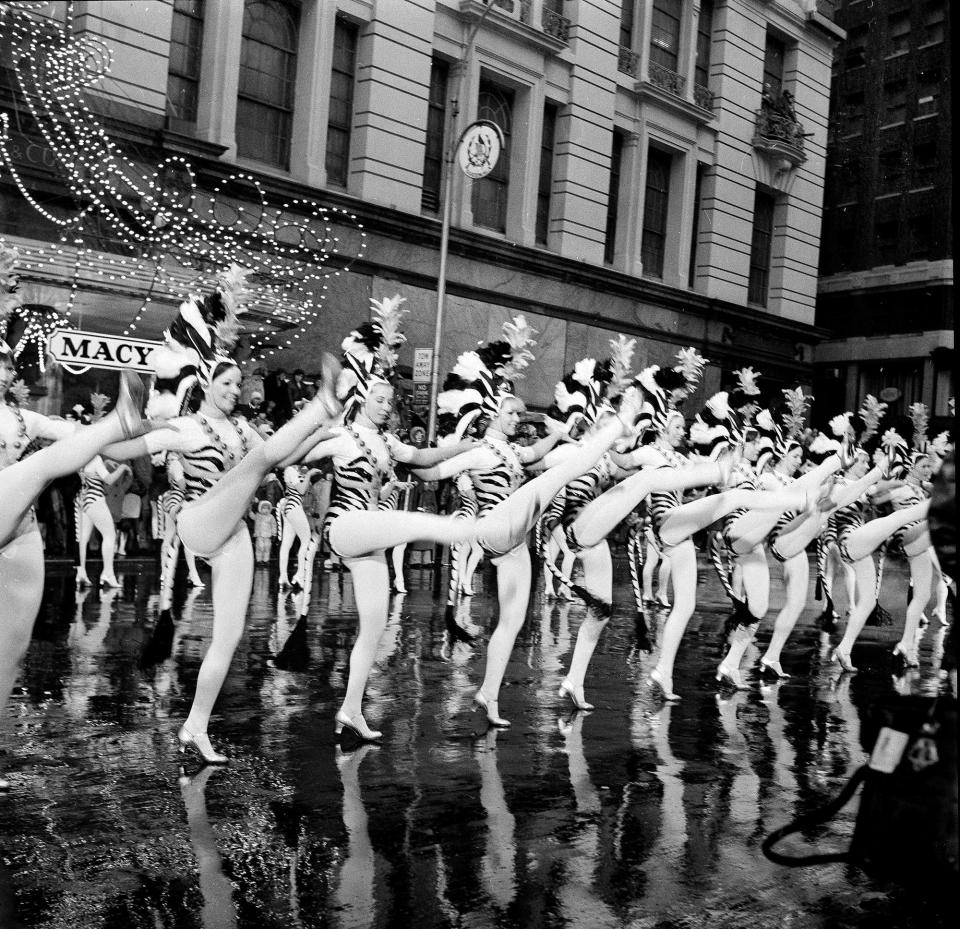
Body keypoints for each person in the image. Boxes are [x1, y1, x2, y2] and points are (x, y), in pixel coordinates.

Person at [299, 295, 482, 741]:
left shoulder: (388, 444)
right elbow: (301, 450)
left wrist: (466, 446)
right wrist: (293, 462)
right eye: (379, 398)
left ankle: (351, 710)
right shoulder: (342, 435)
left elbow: (423, 456)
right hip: (345, 527)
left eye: (389, 399)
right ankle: (457, 529)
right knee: (413, 521)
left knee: (375, 627)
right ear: (362, 398)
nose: (386, 405)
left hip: (372, 540)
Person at [251, 499, 276, 565]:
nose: (266, 510)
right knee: (259, 547)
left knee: (267, 547)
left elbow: (274, 525)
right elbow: (252, 516)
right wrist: (249, 510)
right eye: (264, 508)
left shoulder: (271, 517)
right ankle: (259, 560)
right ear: (260, 508)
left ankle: (266, 560)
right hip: (259, 535)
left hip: (268, 535)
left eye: (267, 508)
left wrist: (274, 534)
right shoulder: (258, 516)